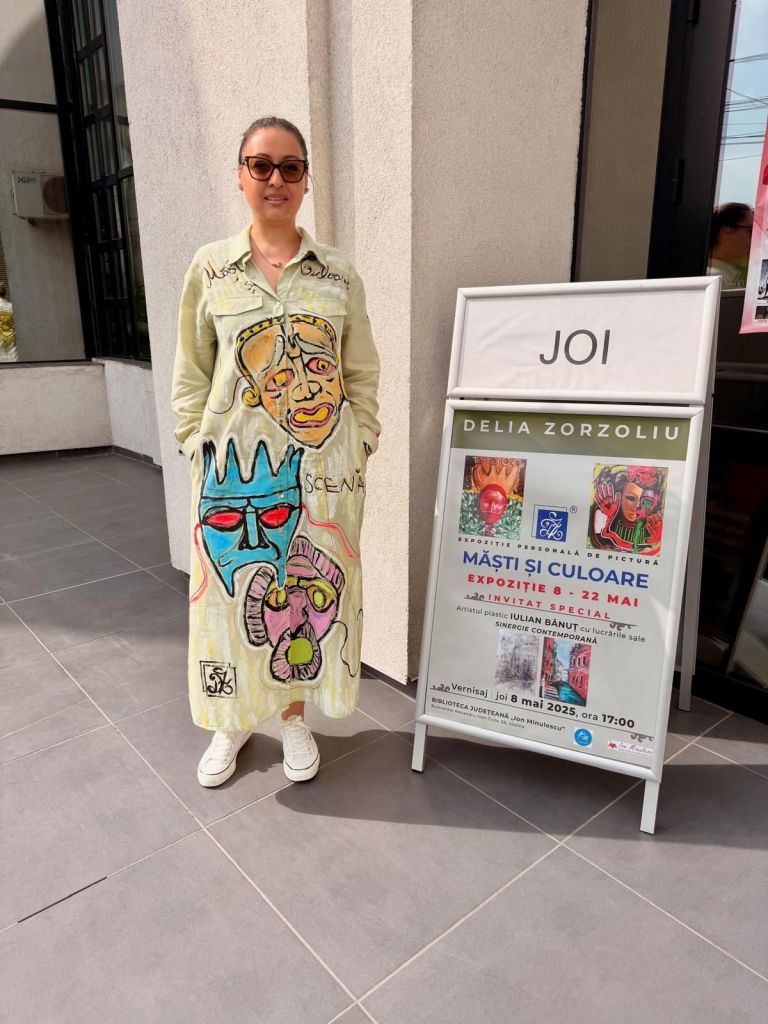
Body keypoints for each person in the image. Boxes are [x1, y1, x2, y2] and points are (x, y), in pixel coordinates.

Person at [172, 116, 380, 788]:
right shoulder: (211, 268)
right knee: (227, 599)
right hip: (230, 477)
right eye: (261, 165)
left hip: (323, 476)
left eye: (290, 167)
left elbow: (360, 371)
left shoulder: (338, 274)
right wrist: (193, 443)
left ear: (306, 179)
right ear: (241, 175)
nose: (276, 180)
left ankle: (293, 718)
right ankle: (232, 722)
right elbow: (191, 371)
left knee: (301, 595)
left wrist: (363, 437)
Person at [707, 202, 753, 289]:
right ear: (727, 230)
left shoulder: (719, 277)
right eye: (750, 230)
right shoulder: (717, 279)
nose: (754, 237)